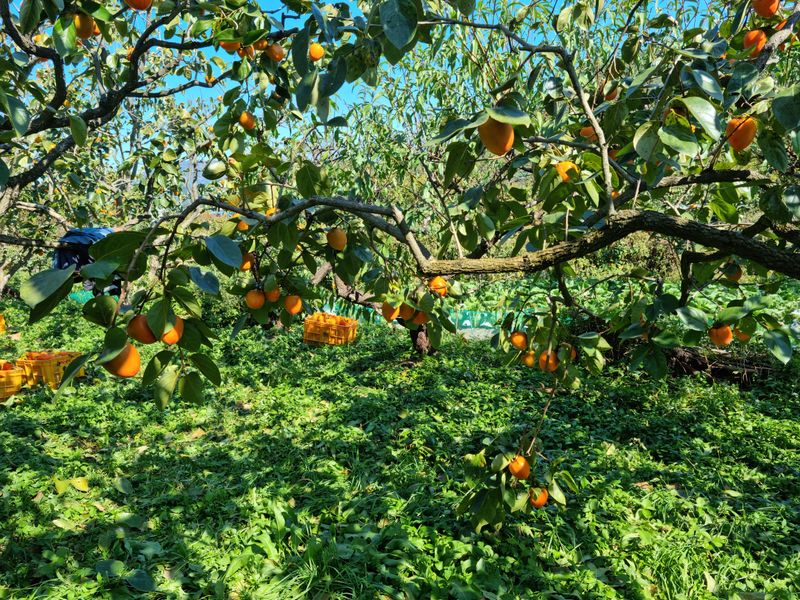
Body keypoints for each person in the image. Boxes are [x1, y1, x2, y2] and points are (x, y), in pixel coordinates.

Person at [52, 227, 123, 297]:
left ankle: (106, 290)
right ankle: (107, 290)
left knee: (95, 271)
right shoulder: (107, 233)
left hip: (75, 249)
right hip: (82, 246)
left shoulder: (101, 231)